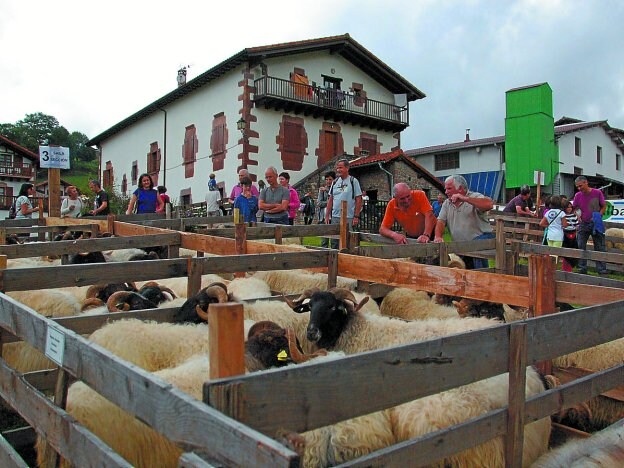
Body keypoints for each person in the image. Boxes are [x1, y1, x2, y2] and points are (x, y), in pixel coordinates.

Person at [433, 175, 494, 269]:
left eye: (449, 188)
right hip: (461, 246)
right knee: (462, 268)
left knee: (475, 247)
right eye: (446, 189)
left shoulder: (475, 196)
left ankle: (481, 276)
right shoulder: (447, 203)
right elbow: (441, 221)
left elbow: (489, 204)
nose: (446, 192)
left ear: (460, 188)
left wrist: (464, 198)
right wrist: (438, 236)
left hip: (481, 240)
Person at [572, 175, 607, 275]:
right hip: (584, 223)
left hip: (596, 223)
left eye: (580, 186)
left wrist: (599, 216)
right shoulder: (578, 195)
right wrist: (578, 215)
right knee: (580, 245)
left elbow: (604, 206)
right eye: (577, 187)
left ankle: (601, 270)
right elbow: (574, 208)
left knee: (599, 246)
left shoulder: (597, 193)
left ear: (586, 182)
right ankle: (582, 268)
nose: (579, 188)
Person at [325, 158, 363, 249]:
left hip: (348, 217)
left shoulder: (353, 181)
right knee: (334, 241)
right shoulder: (335, 182)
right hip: (335, 216)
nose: (338, 170)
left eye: (341, 167)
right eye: (337, 168)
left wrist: (356, 216)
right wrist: (327, 215)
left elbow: (359, 199)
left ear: (347, 168)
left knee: (348, 240)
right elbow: (331, 199)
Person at [561, 200, 579, 272]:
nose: (569, 209)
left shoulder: (574, 216)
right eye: (568, 207)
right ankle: (565, 268)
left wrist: (577, 227)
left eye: (570, 207)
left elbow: (577, 224)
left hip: (573, 234)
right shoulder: (563, 216)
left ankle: (570, 267)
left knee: (573, 251)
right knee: (565, 252)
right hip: (565, 234)